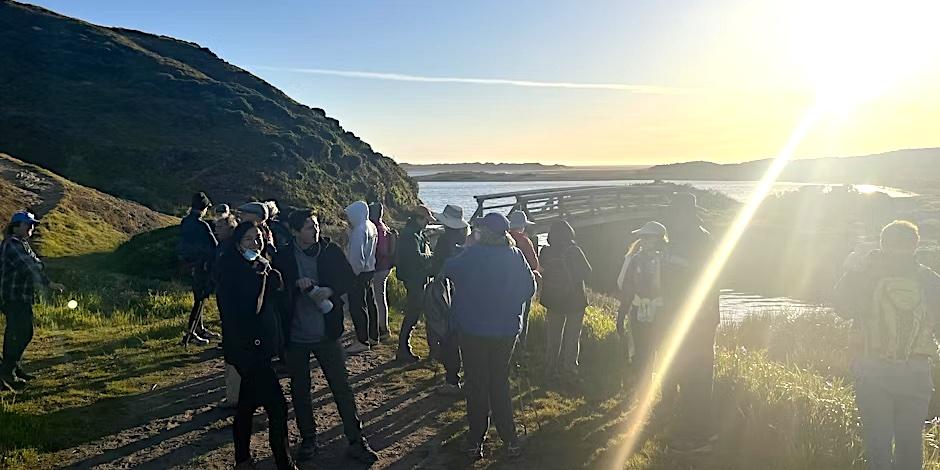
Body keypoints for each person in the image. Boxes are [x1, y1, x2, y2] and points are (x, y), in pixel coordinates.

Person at [272, 209, 379, 464]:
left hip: (327, 333)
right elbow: (275, 291)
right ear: (295, 231)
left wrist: (329, 290)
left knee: (341, 387)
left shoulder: (330, 251)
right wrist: (293, 287)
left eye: (317, 225)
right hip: (295, 336)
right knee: (300, 391)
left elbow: (349, 280)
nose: (316, 230)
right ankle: (309, 440)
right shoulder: (283, 256)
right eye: (309, 227)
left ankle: (356, 440)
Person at [835, 220, 940, 470]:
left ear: (883, 244)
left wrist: (852, 270)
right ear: (915, 245)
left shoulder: (867, 274)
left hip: (873, 369)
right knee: (910, 447)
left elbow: (841, 308)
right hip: (916, 372)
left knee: (879, 446)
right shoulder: (929, 279)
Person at [441, 213, 535, 460]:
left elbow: (447, 269)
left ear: (484, 233)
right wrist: (510, 304)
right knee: (499, 383)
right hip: (505, 330)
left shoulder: (472, 255)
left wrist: (467, 247)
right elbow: (530, 288)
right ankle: (510, 439)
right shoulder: (515, 256)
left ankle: (475, 441)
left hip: (473, 330)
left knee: (476, 384)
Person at [216, 221, 295, 470]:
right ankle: (284, 463)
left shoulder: (261, 266)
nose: (256, 243)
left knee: (247, 405)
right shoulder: (231, 270)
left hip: (261, 349)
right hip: (247, 349)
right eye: (249, 239)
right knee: (278, 407)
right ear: (238, 243)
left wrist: (273, 277)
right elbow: (246, 310)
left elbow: (276, 302)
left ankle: (242, 460)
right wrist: (260, 277)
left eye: (259, 238)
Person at [660, 192, 718, 452]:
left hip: (697, 319)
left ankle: (699, 437)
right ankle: (691, 431)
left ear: (685, 213)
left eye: (674, 212)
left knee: (697, 375)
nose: (671, 217)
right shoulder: (682, 239)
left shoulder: (699, 240)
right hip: (683, 318)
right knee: (686, 373)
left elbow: (709, 279)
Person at [0, 211, 64, 390]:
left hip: (20, 296)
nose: (32, 227)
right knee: (20, 333)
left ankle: (12, 367)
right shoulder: (12, 244)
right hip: (13, 297)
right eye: (28, 224)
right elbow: (30, 267)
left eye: (33, 224)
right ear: (16, 226)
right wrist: (44, 275)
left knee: (20, 332)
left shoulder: (22, 244)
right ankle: (7, 370)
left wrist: (45, 277)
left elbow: (34, 266)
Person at [616, 221, 668, 387]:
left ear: (658, 239)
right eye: (643, 237)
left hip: (660, 312)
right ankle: (641, 384)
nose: (642, 241)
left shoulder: (667, 261)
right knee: (641, 348)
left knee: (656, 348)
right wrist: (622, 314)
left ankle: (650, 386)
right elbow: (628, 288)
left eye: (647, 237)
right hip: (639, 310)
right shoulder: (636, 260)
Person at [538, 220, 592, 380]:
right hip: (575, 300)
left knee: (553, 337)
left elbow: (542, 270)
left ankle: (550, 368)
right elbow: (587, 271)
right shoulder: (574, 251)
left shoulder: (546, 252)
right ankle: (569, 368)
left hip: (553, 300)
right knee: (572, 337)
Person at [429, 205, 470, 393]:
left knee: (449, 337)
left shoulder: (444, 240)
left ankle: (452, 380)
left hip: (445, 293)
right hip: (463, 294)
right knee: (466, 339)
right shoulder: (466, 240)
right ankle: (467, 378)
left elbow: (436, 268)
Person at [178, 192, 219, 346]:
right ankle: (191, 333)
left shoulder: (185, 222)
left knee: (198, 297)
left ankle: (199, 328)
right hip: (202, 266)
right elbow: (214, 246)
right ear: (204, 208)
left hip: (189, 265)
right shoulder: (202, 225)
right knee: (200, 299)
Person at [396, 206, 436, 363]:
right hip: (414, 280)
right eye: (426, 220)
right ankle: (403, 348)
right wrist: (433, 258)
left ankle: (404, 347)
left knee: (414, 313)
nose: (427, 223)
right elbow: (415, 258)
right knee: (413, 313)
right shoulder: (410, 235)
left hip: (417, 278)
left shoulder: (415, 233)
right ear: (418, 218)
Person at [212, 214, 240, 409]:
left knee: (234, 352)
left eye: (220, 227)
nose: (216, 231)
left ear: (231, 229)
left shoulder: (230, 251)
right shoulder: (223, 248)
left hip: (233, 309)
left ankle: (234, 396)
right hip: (227, 305)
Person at [345, 201, 379, 354]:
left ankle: (362, 340)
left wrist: (352, 273)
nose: (348, 219)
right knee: (370, 303)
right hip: (370, 269)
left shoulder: (359, 230)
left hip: (358, 272)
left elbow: (356, 255)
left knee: (357, 306)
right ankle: (373, 335)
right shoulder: (371, 225)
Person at [508, 211, 541, 347]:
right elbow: (534, 264)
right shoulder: (525, 241)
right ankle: (521, 346)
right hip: (522, 285)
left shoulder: (504, 239)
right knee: (523, 317)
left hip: (506, 285)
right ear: (523, 226)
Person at [369, 202, 395, 340]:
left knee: (378, 298)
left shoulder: (376, 228)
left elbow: (382, 250)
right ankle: (381, 326)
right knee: (380, 296)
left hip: (380, 267)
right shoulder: (384, 226)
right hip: (386, 266)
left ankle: (382, 328)